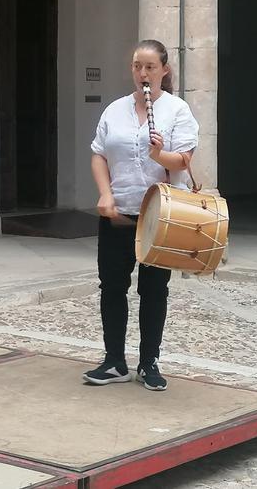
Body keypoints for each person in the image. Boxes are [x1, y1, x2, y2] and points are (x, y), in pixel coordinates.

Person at [83, 39, 199, 392]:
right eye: (137, 66)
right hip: (119, 209)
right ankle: (114, 361)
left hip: (159, 213)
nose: (143, 73)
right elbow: (99, 154)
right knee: (112, 287)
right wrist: (105, 194)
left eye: (150, 67)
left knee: (153, 289)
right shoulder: (114, 110)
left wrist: (159, 154)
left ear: (164, 70)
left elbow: (184, 161)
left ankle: (149, 361)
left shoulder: (177, 109)